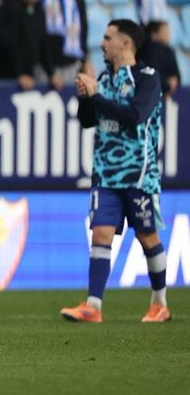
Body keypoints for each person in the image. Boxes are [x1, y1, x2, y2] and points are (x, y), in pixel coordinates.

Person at [62, 20, 171, 323]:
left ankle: (160, 303)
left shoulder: (147, 78)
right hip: (106, 174)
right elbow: (88, 121)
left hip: (138, 174)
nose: (102, 43)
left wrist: (96, 97)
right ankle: (93, 307)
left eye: (107, 38)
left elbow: (135, 115)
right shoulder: (104, 78)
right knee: (100, 234)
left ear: (125, 44)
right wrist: (86, 97)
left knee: (148, 237)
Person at [38, 0, 84, 87]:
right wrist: (50, 70)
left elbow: (83, 26)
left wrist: (84, 59)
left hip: (71, 62)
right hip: (44, 65)